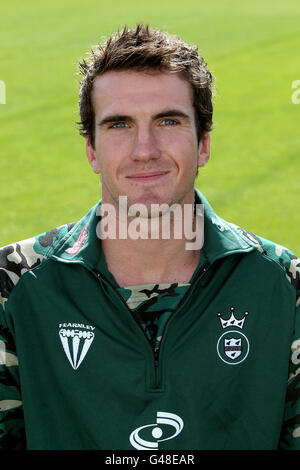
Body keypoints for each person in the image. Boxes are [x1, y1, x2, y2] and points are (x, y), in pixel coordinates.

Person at [0, 24, 299, 451]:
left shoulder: (287, 288)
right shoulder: (11, 288)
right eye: (119, 124)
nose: (145, 149)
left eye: (168, 121)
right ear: (91, 150)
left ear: (203, 145)